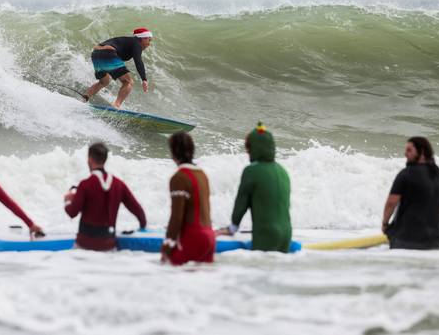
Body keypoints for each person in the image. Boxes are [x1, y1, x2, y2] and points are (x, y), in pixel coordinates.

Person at [218, 122, 292, 252]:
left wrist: (232, 227)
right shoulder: (283, 171)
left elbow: (241, 203)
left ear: (254, 148)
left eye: (248, 147)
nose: (247, 151)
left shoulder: (252, 171)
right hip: (287, 237)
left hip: (266, 237)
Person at [64, 142, 147, 251]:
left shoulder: (85, 184)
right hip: (108, 246)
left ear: (89, 159)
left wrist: (68, 200)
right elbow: (137, 209)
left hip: (84, 247)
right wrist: (143, 227)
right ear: (105, 160)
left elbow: (72, 212)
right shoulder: (118, 184)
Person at [382, 136, 439, 250]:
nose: (405, 154)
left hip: (406, 240)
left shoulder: (405, 174)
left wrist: (385, 224)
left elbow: (391, 203)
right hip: (435, 241)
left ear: (422, 152)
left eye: (409, 150)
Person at [161, 132, 215, 265]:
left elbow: (177, 216)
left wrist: (168, 245)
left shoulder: (179, 177)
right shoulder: (202, 175)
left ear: (173, 152)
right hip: (209, 237)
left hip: (194, 237)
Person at [84, 28, 152, 109]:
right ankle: (116, 105)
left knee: (104, 81)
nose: (149, 44)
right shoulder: (136, 43)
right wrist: (144, 79)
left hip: (96, 53)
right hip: (108, 52)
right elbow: (138, 60)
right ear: (143, 38)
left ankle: (85, 97)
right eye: (149, 40)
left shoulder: (127, 41)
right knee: (128, 82)